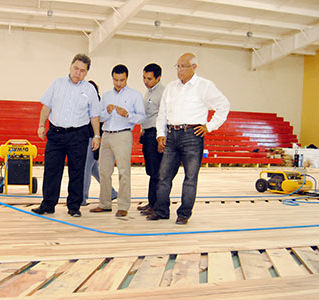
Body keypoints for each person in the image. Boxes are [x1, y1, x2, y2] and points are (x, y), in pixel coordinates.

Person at [147, 52, 229, 224]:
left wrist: (209, 126)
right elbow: (162, 113)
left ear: (194, 67)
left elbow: (223, 105)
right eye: (178, 66)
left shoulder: (205, 86)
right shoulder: (170, 87)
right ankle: (161, 210)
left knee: (190, 177)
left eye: (183, 66)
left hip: (193, 135)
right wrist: (161, 134)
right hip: (171, 134)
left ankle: (184, 214)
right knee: (163, 175)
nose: (180, 70)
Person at [32, 53, 101, 217]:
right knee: (51, 170)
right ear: (70, 66)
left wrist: (97, 135)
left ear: (86, 73)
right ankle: (48, 204)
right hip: (56, 134)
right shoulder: (57, 83)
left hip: (78, 135)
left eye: (82, 70)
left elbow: (95, 115)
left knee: (77, 171)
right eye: (76, 68)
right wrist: (41, 125)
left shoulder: (89, 90)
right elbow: (46, 107)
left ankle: (74, 207)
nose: (78, 72)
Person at [90, 64, 145, 217]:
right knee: (104, 171)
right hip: (106, 134)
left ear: (127, 78)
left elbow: (142, 117)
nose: (118, 83)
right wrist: (106, 112)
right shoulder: (107, 96)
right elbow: (99, 116)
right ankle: (105, 203)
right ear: (112, 78)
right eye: (115, 80)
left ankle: (123, 205)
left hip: (123, 135)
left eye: (121, 80)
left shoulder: (135, 95)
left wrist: (128, 115)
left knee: (123, 171)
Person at [82, 80, 118, 206]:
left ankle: (82, 197)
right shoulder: (96, 100)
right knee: (93, 169)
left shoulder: (94, 102)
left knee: (86, 168)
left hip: (92, 138)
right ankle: (112, 192)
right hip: (92, 138)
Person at [138, 63, 165, 216]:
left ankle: (156, 205)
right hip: (147, 132)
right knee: (151, 170)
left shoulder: (163, 93)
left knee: (156, 172)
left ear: (158, 78)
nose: (145, 81)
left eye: (149, 78)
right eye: (144, 77)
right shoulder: (148, 92)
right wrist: (142, 129)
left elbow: (163, 116)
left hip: (156, 134)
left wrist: (161, 138)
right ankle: (151, 202)